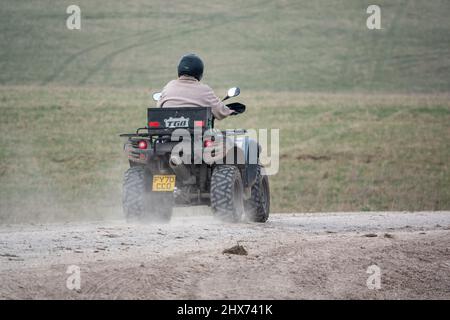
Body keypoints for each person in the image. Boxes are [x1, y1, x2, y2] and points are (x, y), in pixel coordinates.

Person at [156, 54, 233, 120]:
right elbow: (220, 111)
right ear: (200, 72)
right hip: (197, 135)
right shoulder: (204, 90)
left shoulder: (169, 86)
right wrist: (230, 110)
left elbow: (158, 108)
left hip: (167, 135)